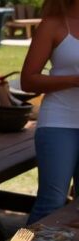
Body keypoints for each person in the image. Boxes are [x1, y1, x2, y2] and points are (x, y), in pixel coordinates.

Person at [21, 0, 79, 223]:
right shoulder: (53, 25)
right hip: (59, 123)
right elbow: (28, 80)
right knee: (52, 202)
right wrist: (74, 80)